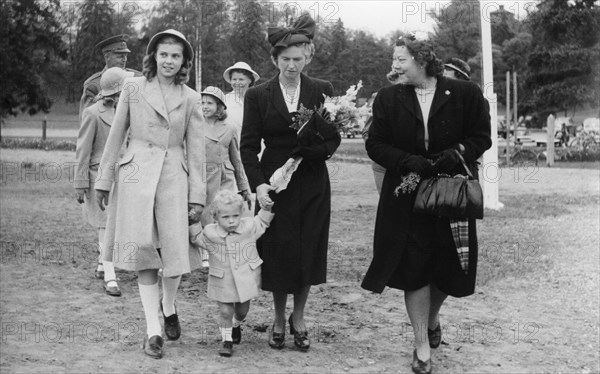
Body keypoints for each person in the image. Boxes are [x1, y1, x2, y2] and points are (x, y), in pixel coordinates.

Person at [361, 34, 491, 374]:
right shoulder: (388, 98)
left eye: (401, 60)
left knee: (450, 264)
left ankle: (432, 318)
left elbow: (482, 136)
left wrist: (459, 152)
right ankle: (421, 342)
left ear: (421, 60)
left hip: (451, 191)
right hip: (406, 194)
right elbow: (375, 144)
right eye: (394, 60)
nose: (395, 66)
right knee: (413, 268)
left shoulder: (464, 93)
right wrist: (406, 160)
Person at [95, 29, 206, 359]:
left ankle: (168, 304)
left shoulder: (191, 98)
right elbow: (116, 136)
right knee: (144, 251)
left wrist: (197, 196)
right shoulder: (133, 87)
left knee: (174, 256)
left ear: (185, 61)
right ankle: (152, 330)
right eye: (164, 54)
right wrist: (103, 180)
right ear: (153, 57)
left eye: (176, 56)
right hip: (136, 176)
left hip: (174, 179)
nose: (169, 61)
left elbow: (197, 150)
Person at [240, 13, 341, 351]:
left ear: (308, 56)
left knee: (307, 249)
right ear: (274, 59)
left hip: (311, 180)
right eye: (285, 59)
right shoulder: (257, 94)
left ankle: (299, 316)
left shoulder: (321, 90)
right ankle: (279, 317)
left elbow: (333, 140)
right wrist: (258, 185)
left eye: (298, 59)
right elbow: (248, 145)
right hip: (274, 183)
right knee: (279, 251)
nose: (292, 66)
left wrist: (315, 151)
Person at [189, 189, 274, 357]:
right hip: (223, 280)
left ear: (241, 213)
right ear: (215, 217)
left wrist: (266, 207)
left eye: (235, 216)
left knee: (242, 311)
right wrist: (193, 221)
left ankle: (236, 324)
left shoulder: (249, 227)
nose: (231, 221)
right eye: (225, 217)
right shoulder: (210, 233)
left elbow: (262, 222)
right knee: (225, 312)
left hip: (246, 279)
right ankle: (226, 340)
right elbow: (197, 238)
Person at [74, 67, 133, 296]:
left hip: (126, 176)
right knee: (105, 226)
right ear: (117, 89)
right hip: (98, 175)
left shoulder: (129, 110)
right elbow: (82, 150)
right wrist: (80, 183)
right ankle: (110, 275)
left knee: (115, 224)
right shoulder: (92, 113)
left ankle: (101, 264)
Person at [79, 35, 138, 119]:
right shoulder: (93, 84)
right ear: (107, 57)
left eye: (126, 56)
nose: (124, 59)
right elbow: (87, 119)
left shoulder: (136, 78)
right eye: (120, 56)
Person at [222, 62, 260, 140]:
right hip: (231, 147)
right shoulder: (224, 100)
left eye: (241, 79)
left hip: (256, 147)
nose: (237, 83)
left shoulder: (259, 99)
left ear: (250, 80)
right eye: (234, 79)